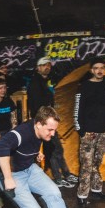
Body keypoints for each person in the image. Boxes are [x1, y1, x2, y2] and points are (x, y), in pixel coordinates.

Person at [0, 106, 99, 208]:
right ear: (38, 124)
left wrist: (36, 153)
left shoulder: (38, 129)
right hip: (13, 175)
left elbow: (29, 143)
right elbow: (2, 145)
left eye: (54, 130)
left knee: (54, 192)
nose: (53, 133)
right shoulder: (21, 132)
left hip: (29, 168)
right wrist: (7, 178)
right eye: (50, 130)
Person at [28, 56, 76, 188]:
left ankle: (64, 175)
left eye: (49, 65)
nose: (47, 67)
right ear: (38, 68)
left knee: (54, 149)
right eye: (44, 65)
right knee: (55, 149)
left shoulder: (45, 81)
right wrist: (45, 122)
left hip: (47, 121)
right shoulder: (35, 83)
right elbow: (37, 106)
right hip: (43, 122)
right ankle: (59, 177)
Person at [73, 57, 105, 207]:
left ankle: (96, 189)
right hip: (89, 132)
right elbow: (77, 108)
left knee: (97, 162)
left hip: (104, 132)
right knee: (86, 165)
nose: (99, 70)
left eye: (102, 68)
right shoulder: (84, 86)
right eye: (96, 68)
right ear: (91, 70)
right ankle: (82, 195)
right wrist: (80, 130)